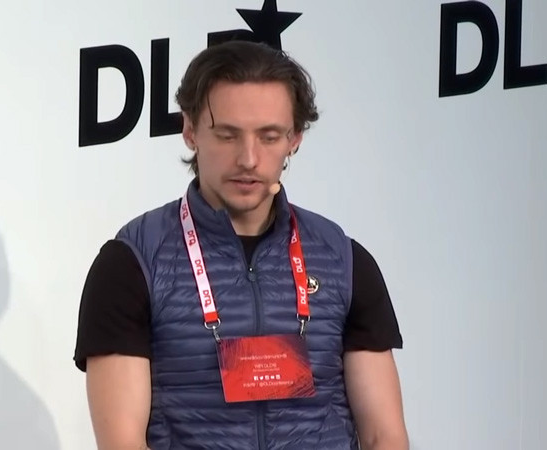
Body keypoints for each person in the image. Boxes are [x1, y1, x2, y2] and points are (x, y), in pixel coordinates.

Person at [74, 40, 408, 450]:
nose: (248, 159)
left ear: (295, 138)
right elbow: (122, 443)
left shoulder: (343, 260)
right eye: (228, 135)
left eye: (269, 137)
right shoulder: (132, 263)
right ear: (190, 131)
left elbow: (383, 436)